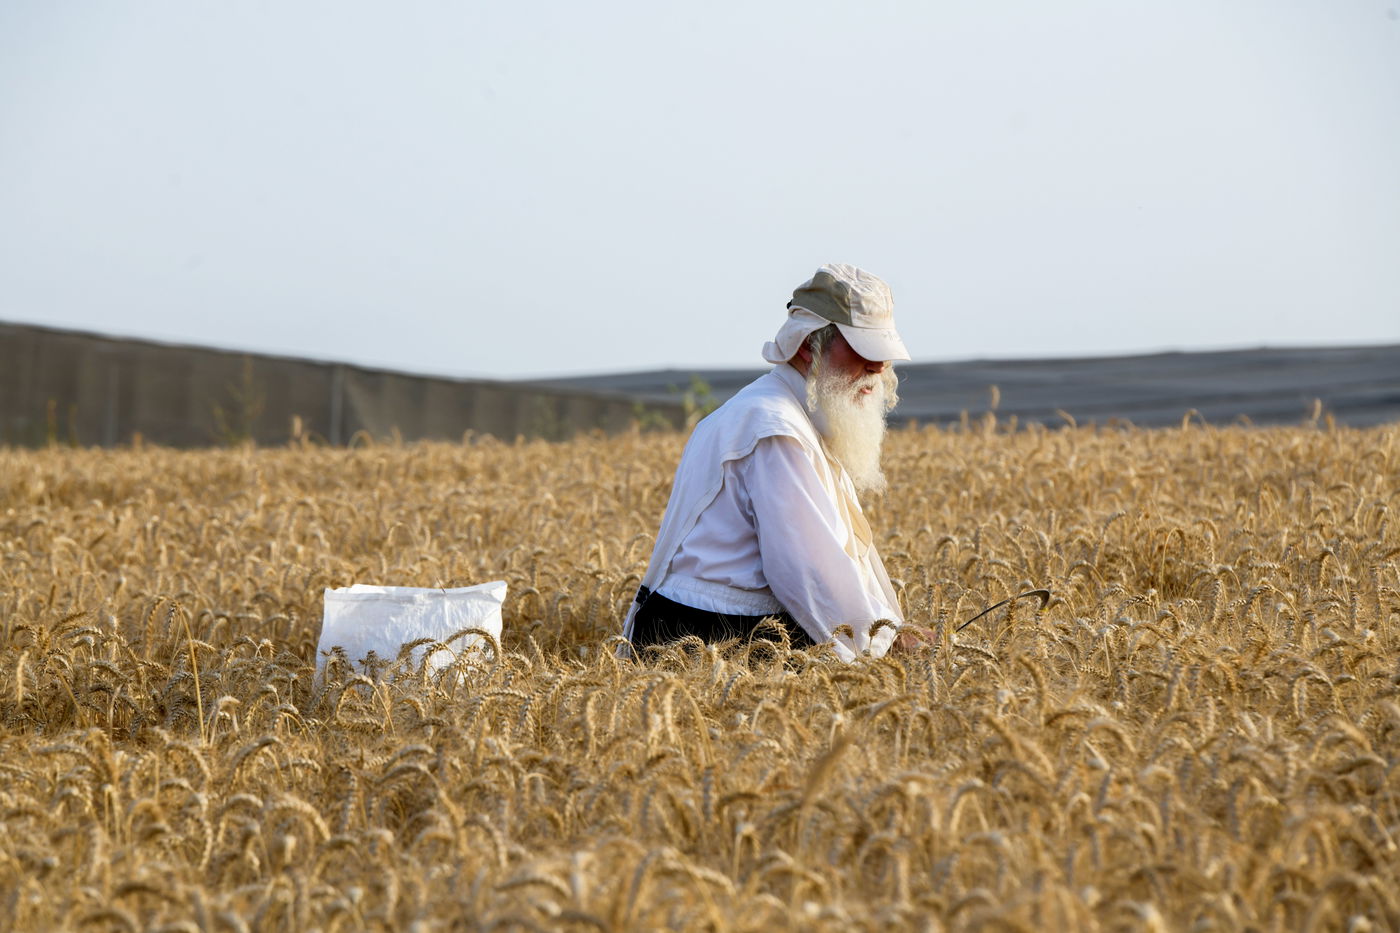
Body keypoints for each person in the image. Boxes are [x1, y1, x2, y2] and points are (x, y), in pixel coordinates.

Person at [623, 263, 909, 661]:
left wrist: (886, 632)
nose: (878, 368)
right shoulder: (774, 427)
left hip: (715, 627)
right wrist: (883, 644)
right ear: (810, 345)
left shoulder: (787, 410)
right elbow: (808, 572)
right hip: (712, 637)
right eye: (864, 349)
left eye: (883, 354)